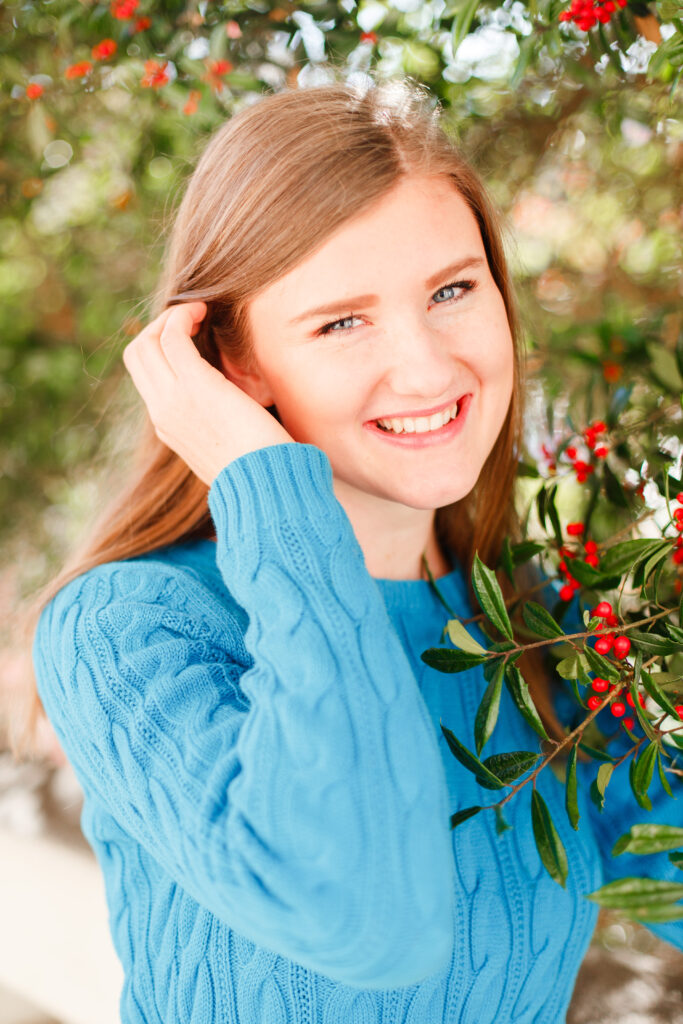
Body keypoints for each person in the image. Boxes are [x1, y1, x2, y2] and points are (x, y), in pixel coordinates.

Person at [26, 76, 681, 1023]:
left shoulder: (537, 622)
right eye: (341, 320)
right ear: (229, 363)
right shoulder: (126, 630)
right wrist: (268, 497)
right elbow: (366, 922)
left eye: (452, 289)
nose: (426, 366)